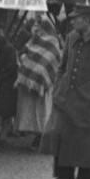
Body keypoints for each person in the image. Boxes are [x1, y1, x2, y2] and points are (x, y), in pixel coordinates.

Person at [40, 4, 90, 179]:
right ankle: (64, 175)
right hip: (67, 96)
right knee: (62, 136)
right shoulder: (71, 37)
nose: (72, 20)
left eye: (76, 18)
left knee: (88, 142)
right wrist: (59, 86)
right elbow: (62, 67)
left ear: (88, 20)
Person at [15, 16, 62, 147]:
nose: (36, 29)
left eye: (39, 27)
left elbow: (53, 59)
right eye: (35, 26)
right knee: (37, 113)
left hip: (45, 85)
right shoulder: (35, 40)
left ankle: (43, 139)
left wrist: (40, 71)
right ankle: (39, 137)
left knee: (43, 113)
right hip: (34, 83)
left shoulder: (53, 42)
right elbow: (26, 52)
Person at [0, 25, 19, 143]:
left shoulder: (7, 49)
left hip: (6, 83)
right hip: (2, 82)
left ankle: (2, 135)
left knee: (4, 112)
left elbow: (10, 67)